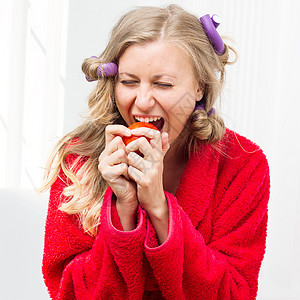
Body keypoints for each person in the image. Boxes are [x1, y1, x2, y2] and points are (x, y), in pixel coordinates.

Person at [41, 4, 270, 300]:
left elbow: (234, 294)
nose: (144, 101)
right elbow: (68, 293)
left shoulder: (243, 164)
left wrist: (159, 209)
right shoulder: (79, 160)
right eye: (128, 81)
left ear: (199, 88)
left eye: (163, 84)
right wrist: (123, 208)